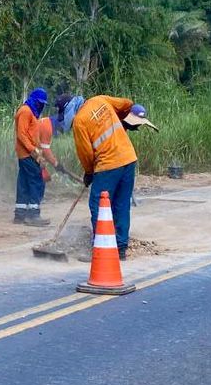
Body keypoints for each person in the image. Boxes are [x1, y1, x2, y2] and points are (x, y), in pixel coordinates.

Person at [54, 94, 157, 261]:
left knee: (98, 204)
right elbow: (127, 104)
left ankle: (102, 248)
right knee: (121, 204)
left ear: (68, 110)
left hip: (108, 164)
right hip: (129, 158)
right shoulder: (100, 100)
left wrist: (89, 172)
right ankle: (121, 248)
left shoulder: (79, 121)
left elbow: (85, 153)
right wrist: (124, 121)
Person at [13, 88, 50, 226]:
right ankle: (33, 215)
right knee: (36, 181)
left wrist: (39, 152)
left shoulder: (31, 113)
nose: (41, 105)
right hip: (27, 154)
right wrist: (34, 151)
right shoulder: (25, 111)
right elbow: (22, 135)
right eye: (39, 102)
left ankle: (20, 215)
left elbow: (31, 135)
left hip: (29, 153)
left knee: (24, 183)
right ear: (34, 99)